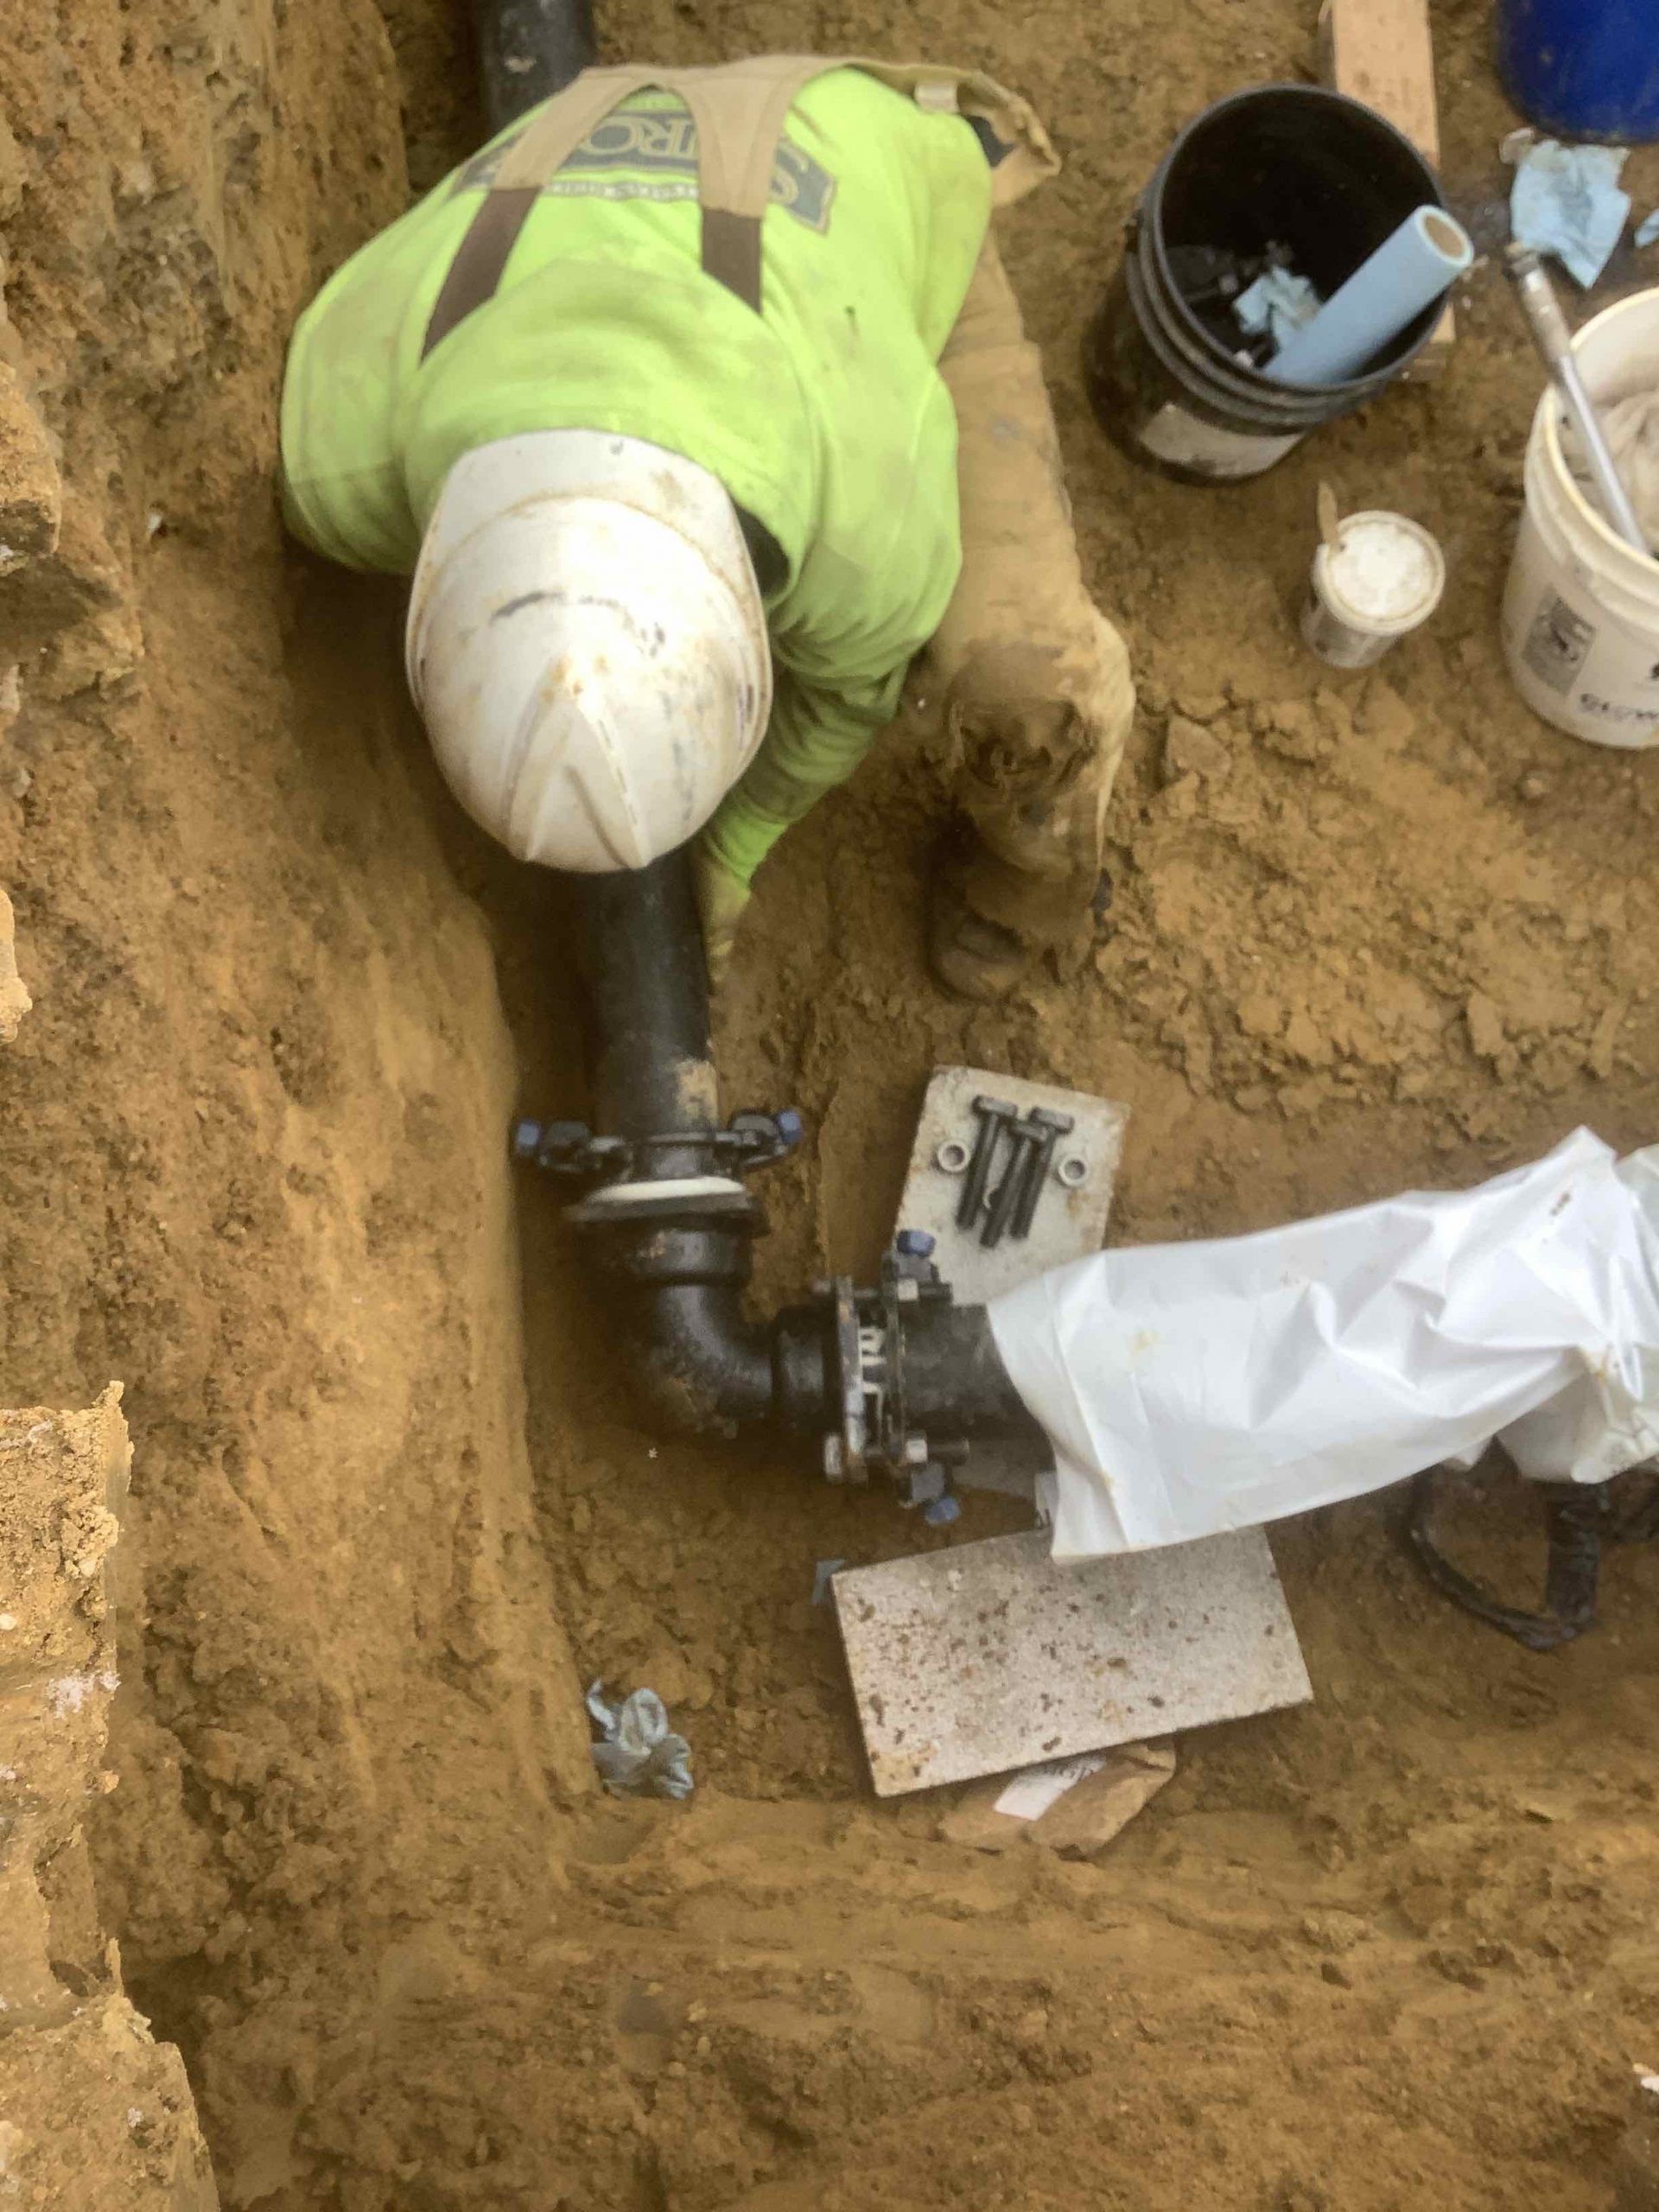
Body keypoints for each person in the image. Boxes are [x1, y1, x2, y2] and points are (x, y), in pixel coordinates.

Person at [280, 55, 1134, 998]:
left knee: (1027, 689)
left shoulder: (870, 529)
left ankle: (1024, 885)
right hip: (599, 141)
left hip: (867, 185)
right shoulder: (335, 456)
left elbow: (845, 699)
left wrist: (734, 847)